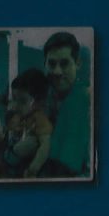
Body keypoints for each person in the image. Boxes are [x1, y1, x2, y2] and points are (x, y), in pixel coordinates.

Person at [41, 30, 92, 177]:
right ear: (44, 64)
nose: (57, 71)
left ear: (78, 63)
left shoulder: (87, 103)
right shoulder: (37, 101)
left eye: (64, 64)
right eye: (51, 64)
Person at [0, 67, 54, 178]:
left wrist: (33, 168)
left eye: (23, 101)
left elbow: (46, 145)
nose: (16, 105)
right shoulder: (24, 116)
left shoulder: (39, 118)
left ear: (39, 101)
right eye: (14, 99)